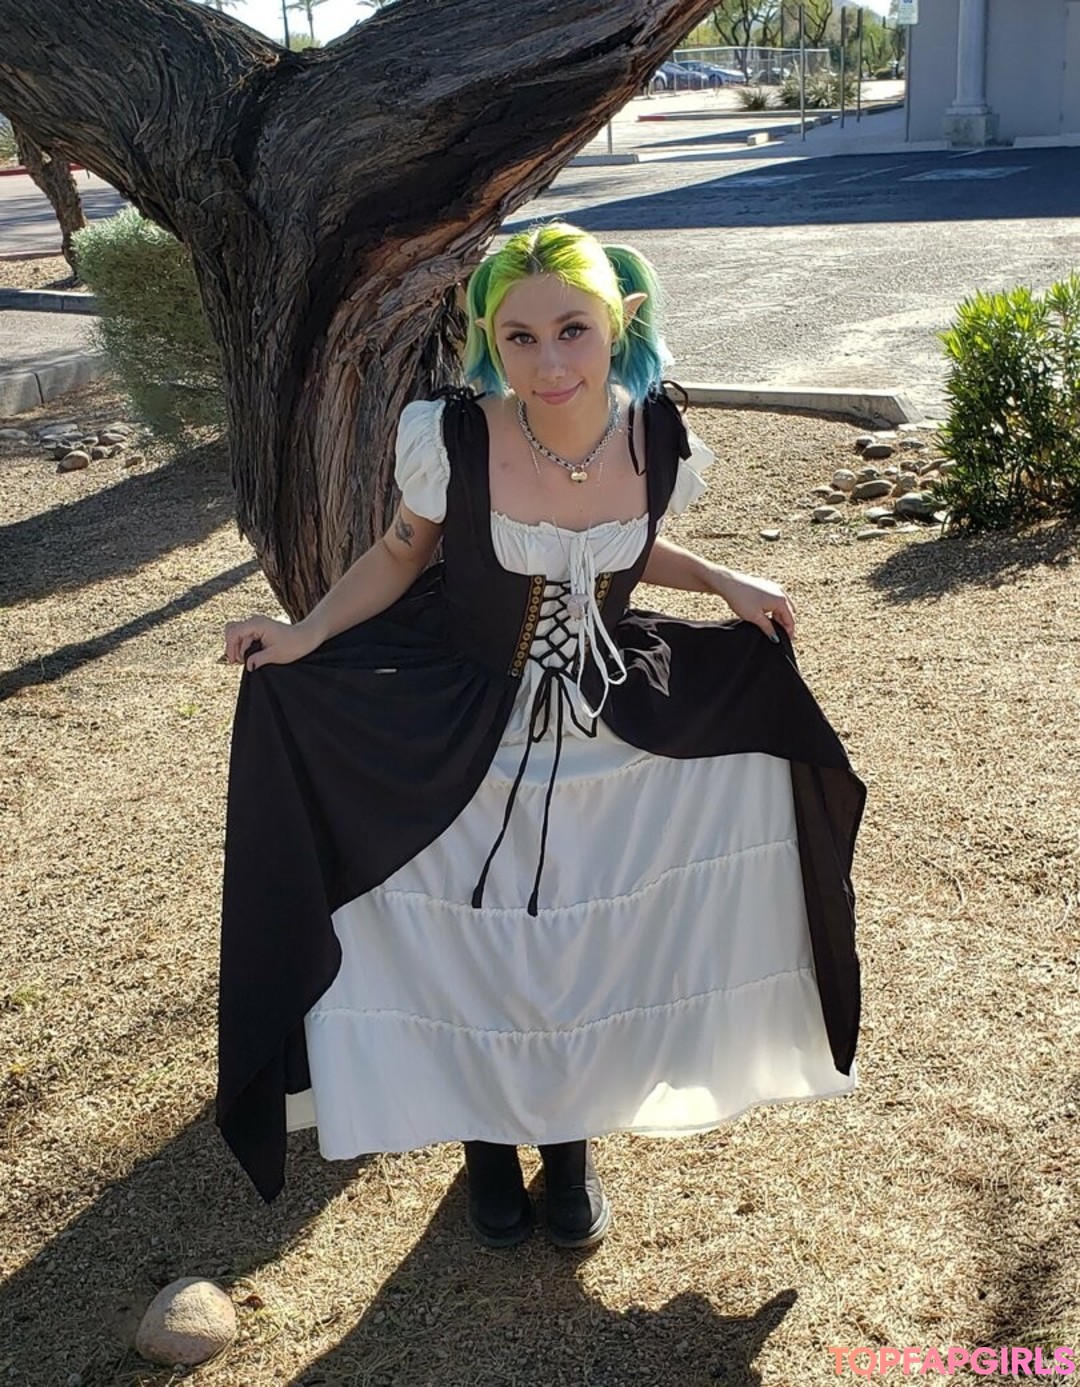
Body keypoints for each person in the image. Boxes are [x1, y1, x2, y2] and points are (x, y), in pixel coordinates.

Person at [218, 222, 865, 1249]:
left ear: (620, 322)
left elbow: (626, 545)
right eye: (518, 338)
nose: (550, 362)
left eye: (573, 330)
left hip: (606, 721)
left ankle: (569, 1149)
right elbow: (398, 556)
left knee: (579, 946)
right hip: (467, 722)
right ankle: (486, 1145)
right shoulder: (454, 437)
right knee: (476, 946)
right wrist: (304, 634)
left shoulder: (656, 436)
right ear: (489, 340)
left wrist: (722, 578)